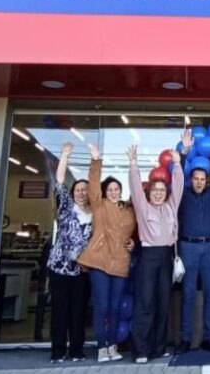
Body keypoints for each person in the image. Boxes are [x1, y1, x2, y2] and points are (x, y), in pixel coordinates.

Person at [76, 143, 137, 363]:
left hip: (120, 262)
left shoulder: (129, 211)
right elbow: (93, 184)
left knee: (114, 307)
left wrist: (132, 243)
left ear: (121, 191)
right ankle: (102, 347)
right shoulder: (99, 205)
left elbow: (136, 232)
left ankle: (112, 345)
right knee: (101, 306)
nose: (113, 192)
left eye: (116, 189)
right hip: (100, 261)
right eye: (110, 189)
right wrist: (96, 160)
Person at [128, 143, 183, 364]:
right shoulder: (143, 208)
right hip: (148, 258)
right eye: (155, 190)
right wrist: (133, 164)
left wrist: (177, 164)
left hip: (167, 257)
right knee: (145, 304)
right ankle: (141, 350)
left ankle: (158, 348)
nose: (159, 193)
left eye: (162, 190)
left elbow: (178, 187)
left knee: (163, 303)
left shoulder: (171, 207)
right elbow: (134, 188)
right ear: (149, 193)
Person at [174, 132, 210, 354]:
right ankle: (186, 339)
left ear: (206, 181)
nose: (199, 182)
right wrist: (184, 152)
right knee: (188, 293)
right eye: (195, 178)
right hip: (188, 247)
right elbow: (177, 176)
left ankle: (208, 337)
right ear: (191, 179)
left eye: (202, 179)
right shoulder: (183, 194)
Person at [45, 142, 93, 363]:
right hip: (60, 268)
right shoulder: (66, 206)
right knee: (60, 310)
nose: (82, 192)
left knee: (78, 311)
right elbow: (59, 181)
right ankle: (58, 351)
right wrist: (64, 155)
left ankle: (76, 350)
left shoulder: (94, 213)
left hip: (82, 270)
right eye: (78, 189)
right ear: (73, 192)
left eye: (85, 189)